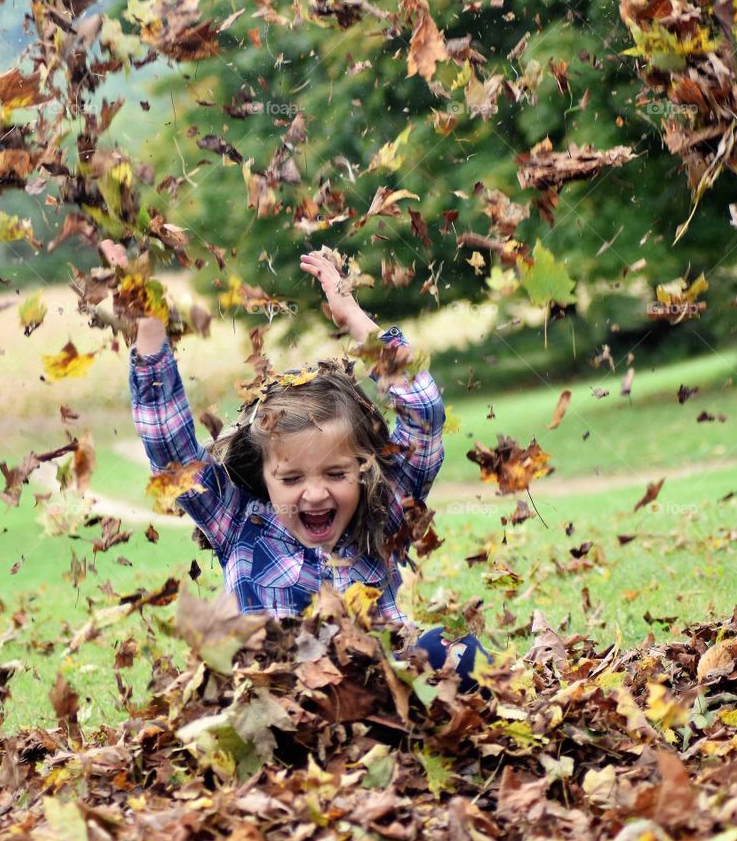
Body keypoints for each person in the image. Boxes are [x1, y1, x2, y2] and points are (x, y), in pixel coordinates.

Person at [125, 246, 492, 693]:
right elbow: (172, 454)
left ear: (362, 467)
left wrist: (353, 317)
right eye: (292, 478)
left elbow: (423, 410)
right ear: (264, 476)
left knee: (456, 649)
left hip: (383, 699)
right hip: (285, 709)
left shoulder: (384, 509)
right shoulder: (240, 524)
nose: (315, 494)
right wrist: (148, 326)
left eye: (336, 474)